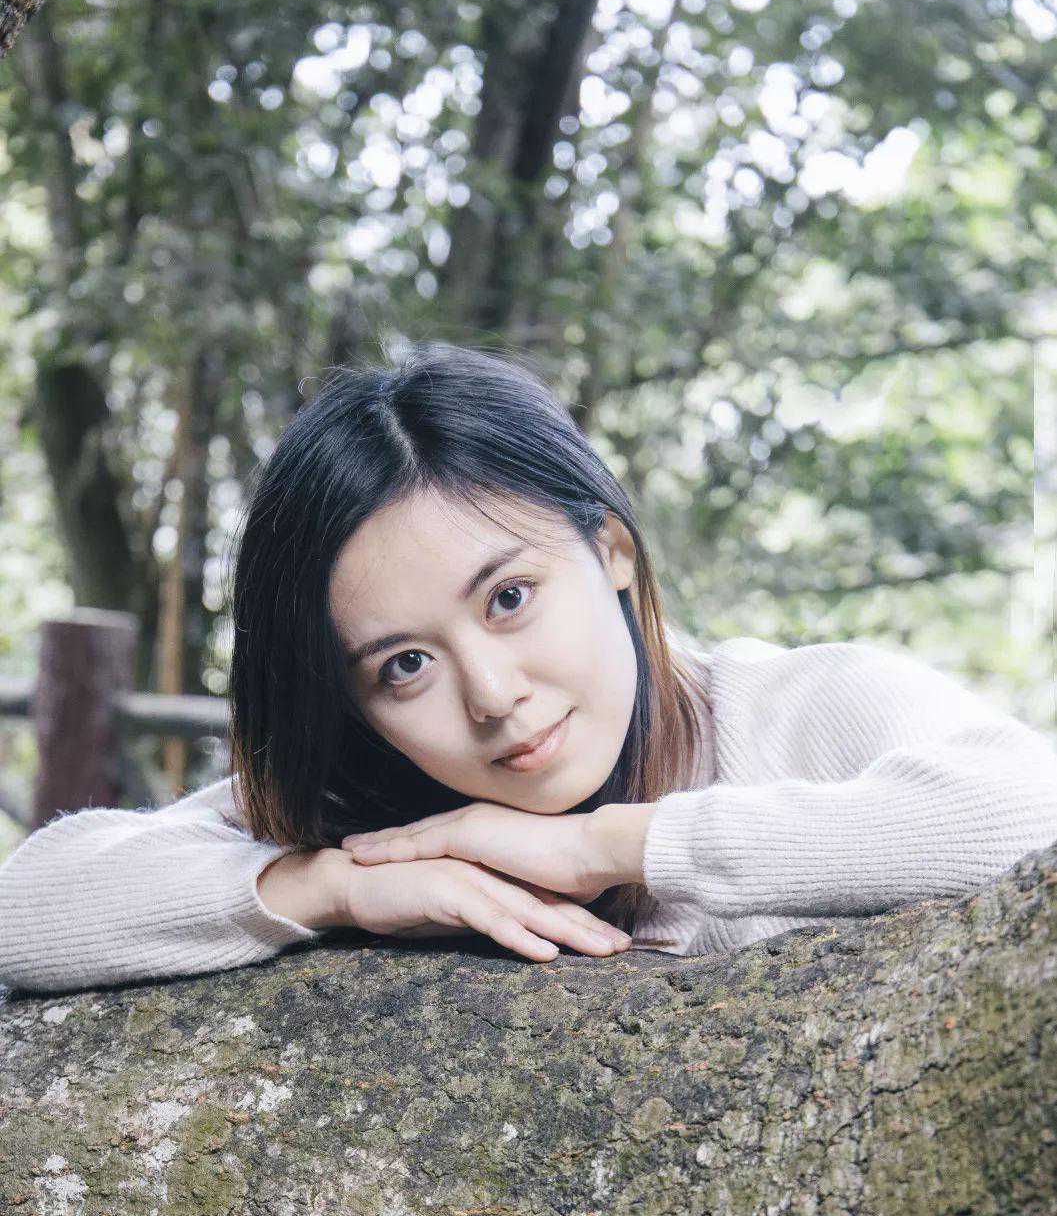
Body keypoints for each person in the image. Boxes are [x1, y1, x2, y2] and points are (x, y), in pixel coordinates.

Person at [3, 340, 1057, 995]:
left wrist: (607, 846)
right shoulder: (384, 815)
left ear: (610, 549)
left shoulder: (799, 710)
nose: (492, 695)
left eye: (508, 598)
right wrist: (327, 888)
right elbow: (29, 910)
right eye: (404, 665)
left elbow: (1028, 809)